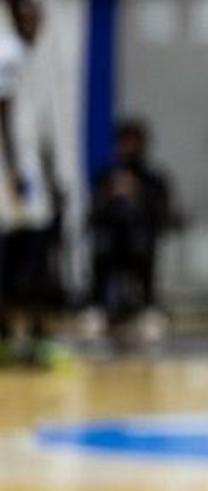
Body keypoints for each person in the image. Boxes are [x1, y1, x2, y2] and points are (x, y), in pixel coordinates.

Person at [0, 0, 59, 367]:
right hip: (12, 170)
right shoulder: (9, 51)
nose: (35, 20)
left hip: (25, 164)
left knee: (31, 253)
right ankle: (26, 334)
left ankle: (23, 334)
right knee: (27, 254)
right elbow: (3, 111)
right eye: (28, 14)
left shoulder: (27, 54)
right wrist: (16, 170)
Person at [88, 120, 181, 336]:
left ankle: (148, 306)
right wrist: (111, 195)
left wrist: (138, 195)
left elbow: (162, 212)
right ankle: (97, 307)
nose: (130, 148)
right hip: (112, 239)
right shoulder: (106, 176)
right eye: (125, 142)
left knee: (143, 243)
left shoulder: (153, 179)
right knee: (102, 245)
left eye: (135, 142)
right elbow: (94, 211)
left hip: (140, 239)